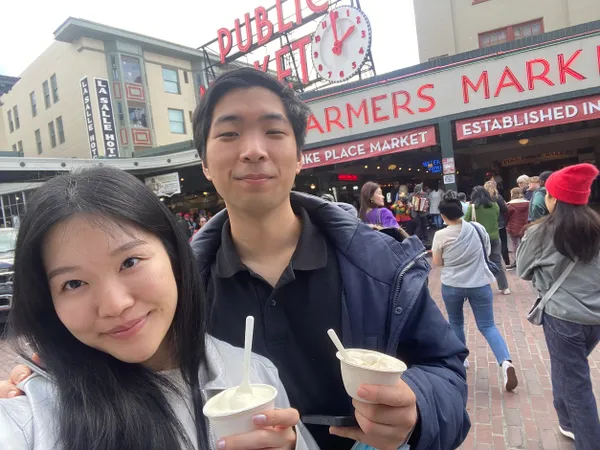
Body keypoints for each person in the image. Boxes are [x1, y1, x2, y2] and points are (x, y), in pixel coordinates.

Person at [2, 68, 470, 450]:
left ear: (299, 154)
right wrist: (54, 366)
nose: (252, 150)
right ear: (204, 163)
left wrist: (420, 407)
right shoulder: (173, 289)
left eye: (273, 131)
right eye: (229, 134)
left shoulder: (379, 263)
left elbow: (445, 370)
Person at [0, 167, 314, 450]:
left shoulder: (253, 374)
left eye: (129, 262)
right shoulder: (32, 413)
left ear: (174, 256)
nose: (115, 305)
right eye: (74, 284)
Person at [517, 163, 600, 448]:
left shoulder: (539, 233)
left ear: (554, 199)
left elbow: (523, 270)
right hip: (595, 319)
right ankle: (565, 421)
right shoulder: (596, 226)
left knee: (578, 387)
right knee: (566, 368)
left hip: (562, 319)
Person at [432, 192, 518, 391]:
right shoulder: (477, 229)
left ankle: (461, 360)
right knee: (488, 326)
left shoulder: (441, 235)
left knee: (455, 322)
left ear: (443, 216)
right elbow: (486, 252)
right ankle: (505, 362)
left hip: (452, 284)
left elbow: (437, 262)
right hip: (479, 283)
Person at [465, 186, 511, 295]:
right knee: (497, 262)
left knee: (478, 263)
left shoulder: (472, 208)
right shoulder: (495, 205)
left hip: (479, 238)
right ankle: (504, 287)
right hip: (495, 236)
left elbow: (466, 222)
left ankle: (481, 288)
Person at [484, 181, 510, 266]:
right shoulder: (498, 197)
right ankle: (507, 263)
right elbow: (505, 209)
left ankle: (491, 263)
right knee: (503, 243)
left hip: (487, 224)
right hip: (500, 222)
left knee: (489, 243)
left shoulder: (482, 198)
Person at [505, 187, 529, 270]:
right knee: (525, 243)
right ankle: (526, 260)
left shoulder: (510, 205)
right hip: (525, 226)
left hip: (513, 227)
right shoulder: (528, 203)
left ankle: (517, 261)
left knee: (515, 244)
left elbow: (507, 216)